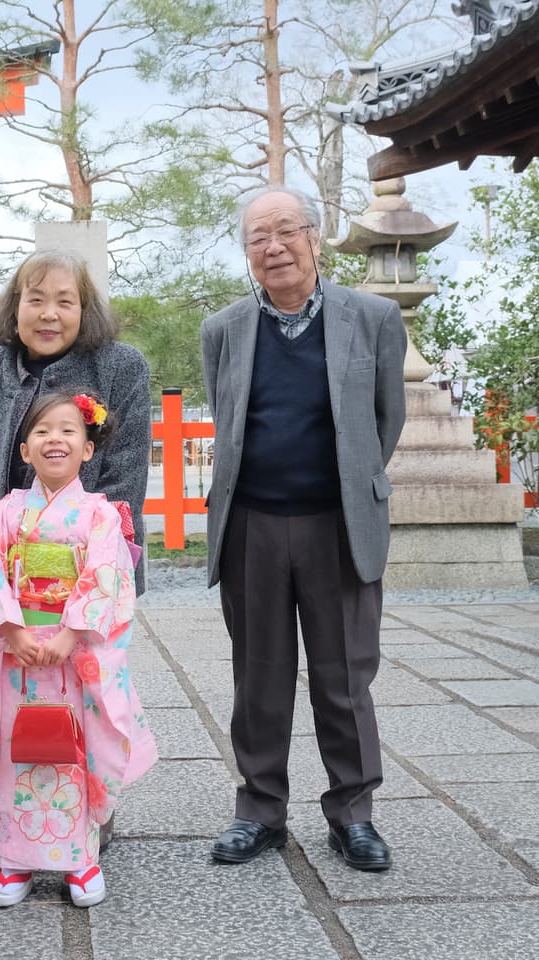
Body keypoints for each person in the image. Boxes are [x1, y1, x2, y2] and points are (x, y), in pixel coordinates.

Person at [200, 187, 407, 873]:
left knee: (344, 676)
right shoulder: (224, 328)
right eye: (258, 236)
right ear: (246, 250)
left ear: (315, 238)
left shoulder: (373, 318)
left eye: (287, 230)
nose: (274, 247)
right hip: (252, 522)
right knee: (258, 675)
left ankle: (353, 812)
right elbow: (229, 424)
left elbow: (386, 420)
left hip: (337, 521)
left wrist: (350, 483)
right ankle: (258, 810)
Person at [0, 390, 157, 909]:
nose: (55, 439)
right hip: (18, 652)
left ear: (88, 449)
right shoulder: (7, 511)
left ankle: (81, 856)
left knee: (74, 748)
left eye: (68, 431)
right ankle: (13, 859)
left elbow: (108, 578)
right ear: (26, 450)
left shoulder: (101, 516)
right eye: (42, 431)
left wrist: (70, 634)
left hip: (73, 655)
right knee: (18, 746)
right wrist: (13, 632)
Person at [0, 250, 151, 595]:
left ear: (84, 311)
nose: (48, 314)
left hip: (87, 568)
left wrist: (93, 570)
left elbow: (124, 481)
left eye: (65, 302)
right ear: (15, 307)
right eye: (36, 299)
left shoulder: (121, 367)